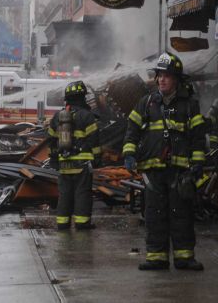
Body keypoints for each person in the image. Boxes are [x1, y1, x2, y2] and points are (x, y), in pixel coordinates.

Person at [122, 52, 207, 271]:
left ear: (176, 79)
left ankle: (184, 258)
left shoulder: (189, 106)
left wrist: (197, 166)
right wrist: (129, 154)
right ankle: (157, 257)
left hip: (179, 173)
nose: (161, 80)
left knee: (181, 216)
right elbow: (131, 130)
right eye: (159, 75)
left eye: (166, 76)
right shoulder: (147, 103)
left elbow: (198, 139)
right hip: (153, 172)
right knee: (155, 215)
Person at [47, 81, 101, 231]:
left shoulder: (58, 116)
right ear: (82, 97)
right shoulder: (87, 116)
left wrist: (54, 159)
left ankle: (63, 224)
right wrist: (97, 159)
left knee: (64, 196)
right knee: (82, 194)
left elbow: (51, 140)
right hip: (82, 165)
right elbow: (94, 141)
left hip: (64, 165)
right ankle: (82, 224)